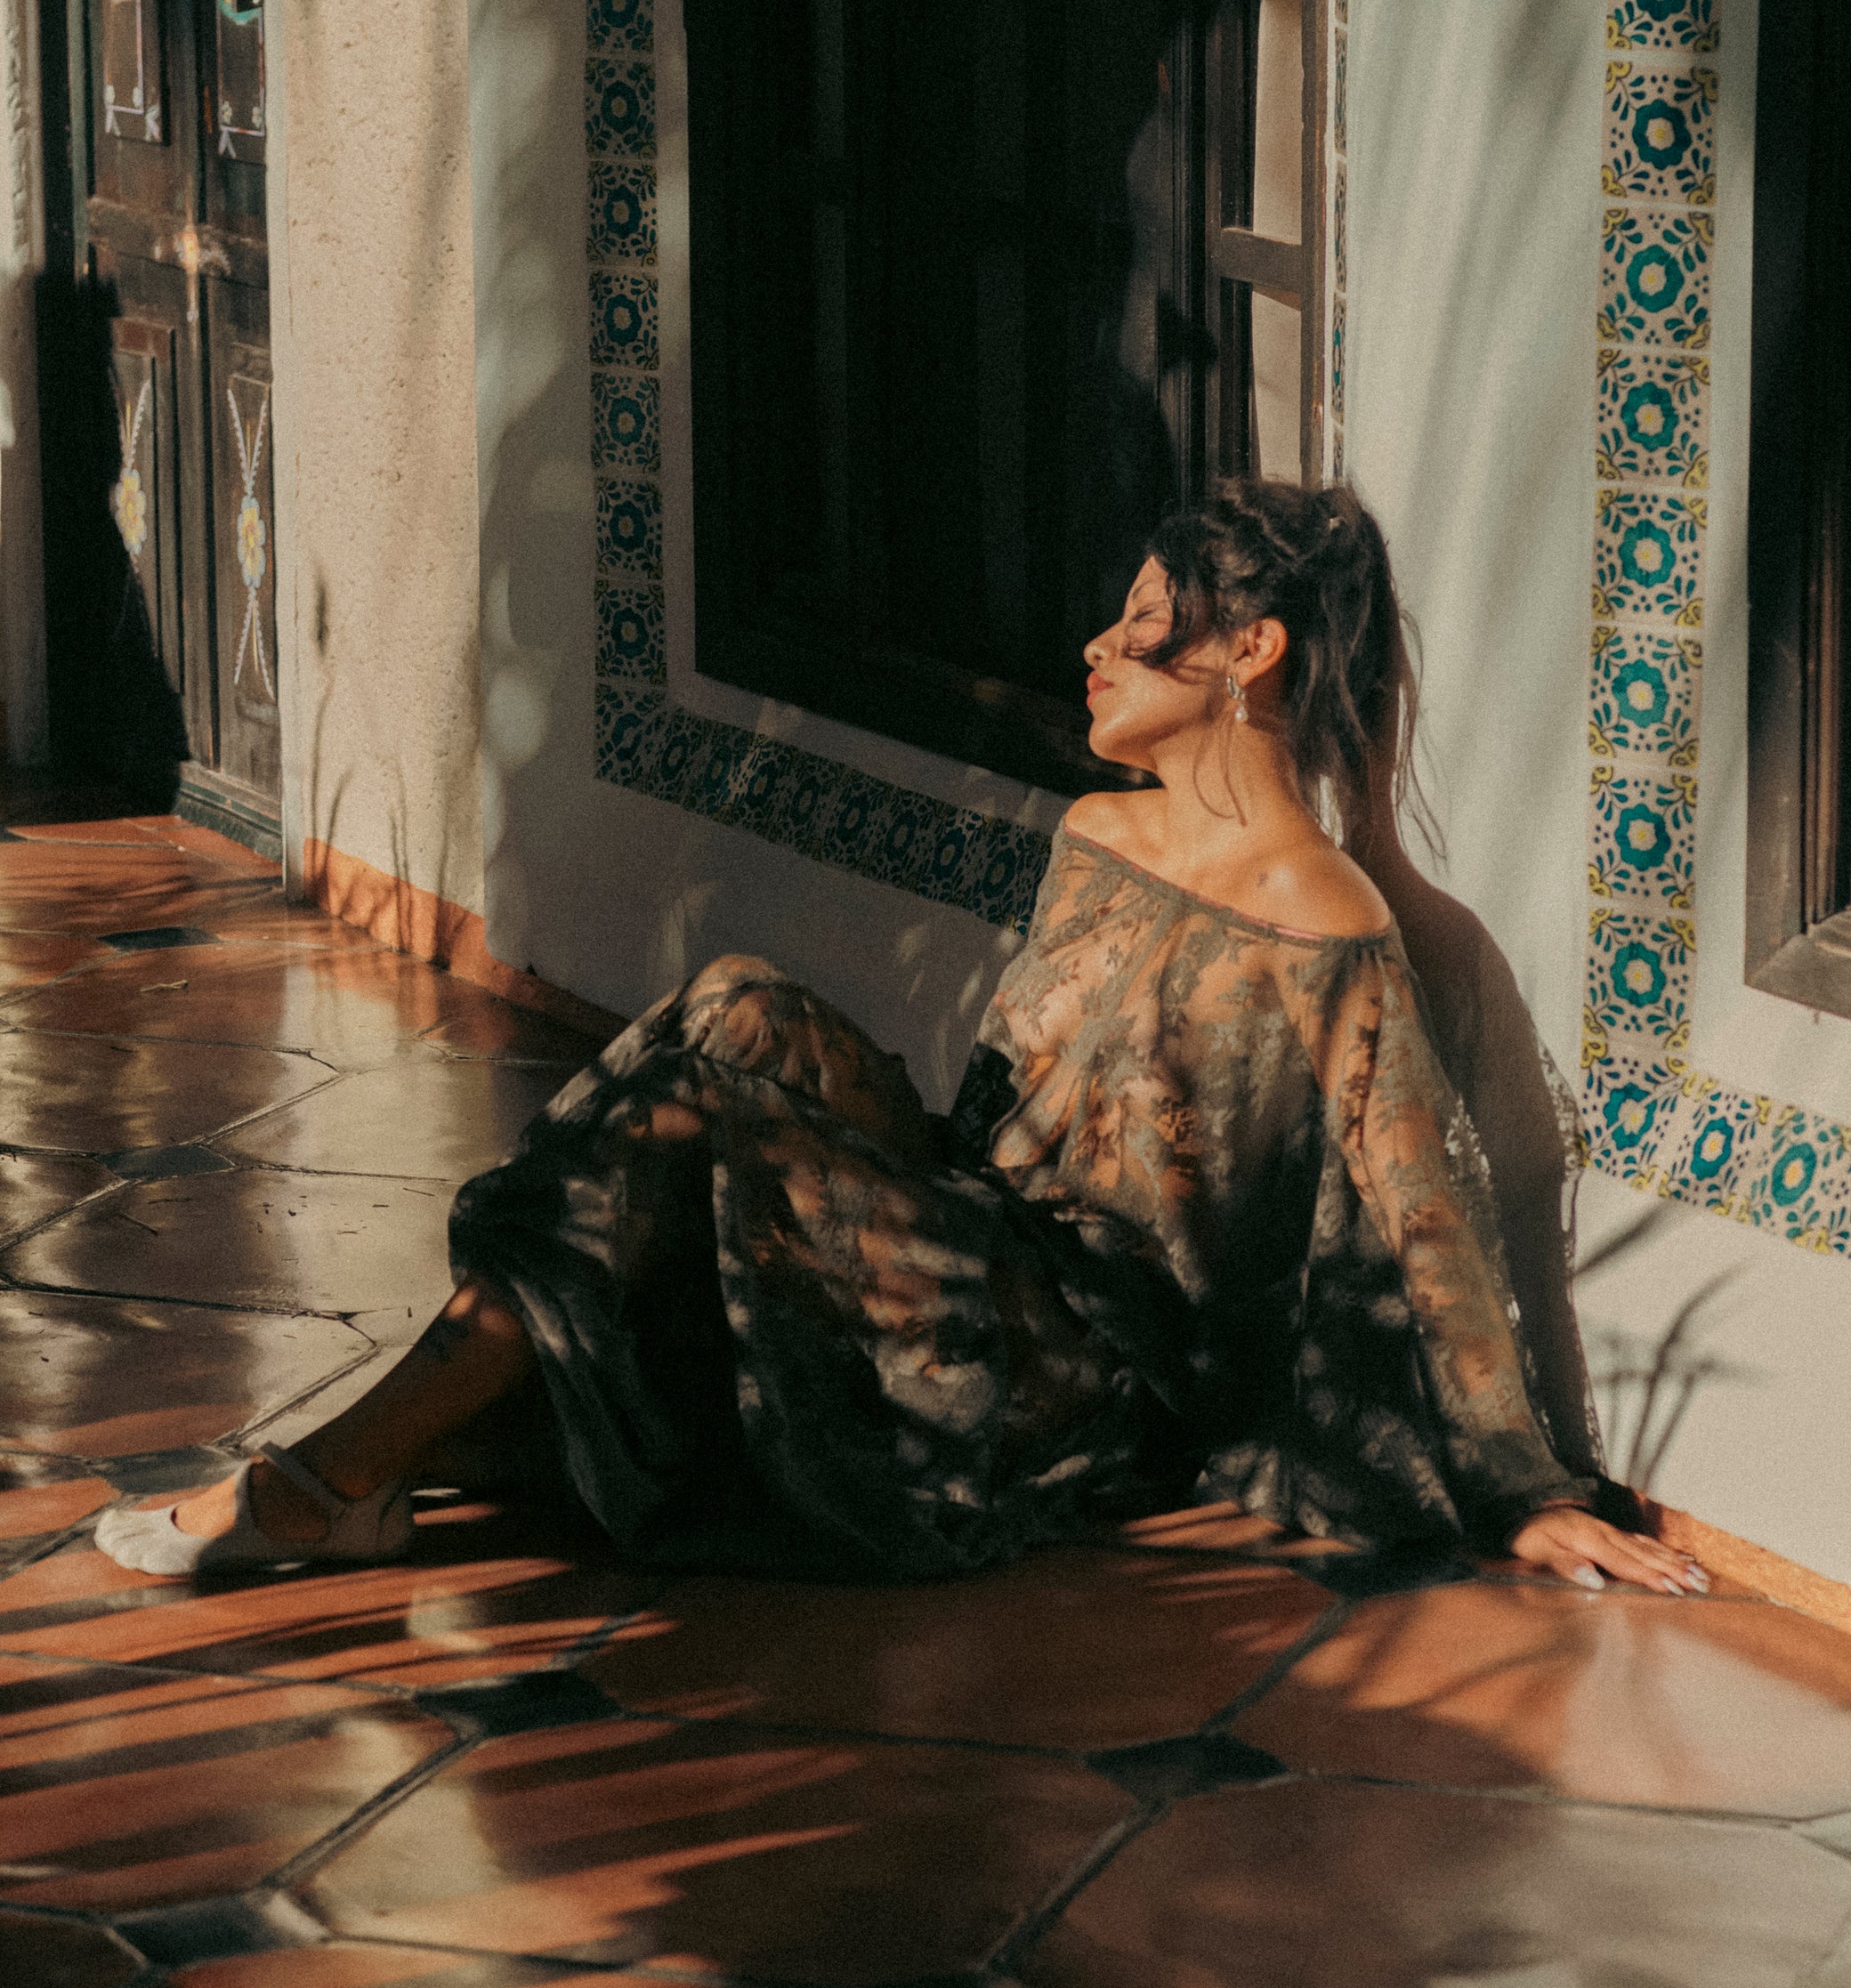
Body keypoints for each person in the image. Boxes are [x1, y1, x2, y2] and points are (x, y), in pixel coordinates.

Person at [96, 482, 1704, 1599]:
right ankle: (413, 1438)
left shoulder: (1326, 923)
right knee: (737, 1003)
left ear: (1247, 654)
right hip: (976, 1233)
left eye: (1143, 622)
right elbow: (999, 1122)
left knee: (688, 1115)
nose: (1097, 645)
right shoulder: (1100, 830)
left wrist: (1523, 1492)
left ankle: (335, 1477)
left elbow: (1426, 1217)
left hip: (1065, 1357)